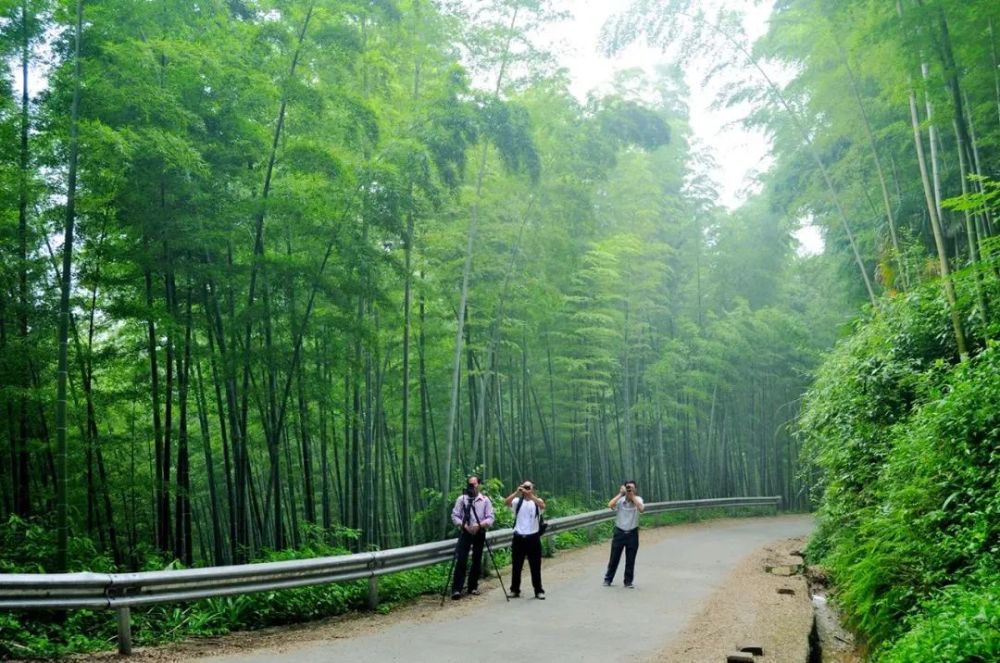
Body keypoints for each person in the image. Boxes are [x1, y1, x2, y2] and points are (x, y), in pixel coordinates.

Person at [450, 475, 495, 599]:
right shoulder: (462, 499)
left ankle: (473, 587)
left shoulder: (485, 500)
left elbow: (491, 517)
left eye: (474, 484)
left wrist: (479, 525)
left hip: (479, 532)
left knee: (477, 559)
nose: (472, 487)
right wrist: (463, 525)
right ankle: (456, 589)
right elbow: (454, 515)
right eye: (470, 484)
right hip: (465, 532)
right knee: (462, 560)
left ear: (479, 485)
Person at [504, 480, 546, 600]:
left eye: (529, 487)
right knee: (516, 566)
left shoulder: (537, 502)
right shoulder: (518, 501)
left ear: (533, 489)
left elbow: (543, 506)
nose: (526, 489)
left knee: (535, 566)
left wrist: (531, 495)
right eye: (525, 486)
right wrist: (516, 492)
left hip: (533, 538)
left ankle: (538, 590)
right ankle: (514, 590)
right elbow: (506, 502)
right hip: (518, 538)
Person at [603, 480, 644, 588]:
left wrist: (632, 496)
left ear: (635, 489)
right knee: (614, 558)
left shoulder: (638, 499)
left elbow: (641, 508)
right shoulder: (620, 500)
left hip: (632, 533)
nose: (630, 490)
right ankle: (608, 579)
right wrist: (621, 493)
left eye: (632, 488)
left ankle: (628, 582)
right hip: (619, 532)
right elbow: (610, 504)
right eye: (628, 488)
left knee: (630, 559)